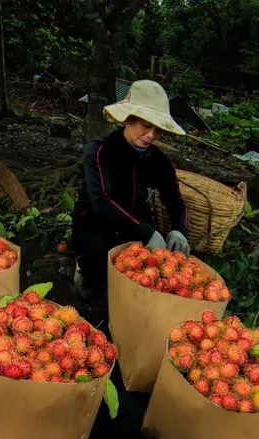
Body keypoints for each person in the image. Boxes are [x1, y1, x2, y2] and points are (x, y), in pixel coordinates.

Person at [72, 80, 190, 300]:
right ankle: (84, 272)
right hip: (94, 223)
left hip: (134, 225)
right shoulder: (99, 150)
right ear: (129, 118)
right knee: (98, 257)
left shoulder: (159, 161)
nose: (151, 135)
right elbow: (101, 201)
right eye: (146, 126)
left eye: (158, 130)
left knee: (150, 270)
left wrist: (180, 230)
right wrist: (147, 233)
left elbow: (175, 199)